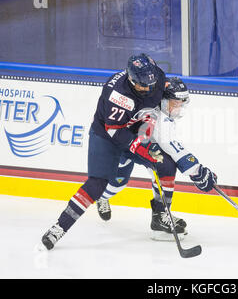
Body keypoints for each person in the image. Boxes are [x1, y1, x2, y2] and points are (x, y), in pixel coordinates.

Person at [41, 53, 168, 250]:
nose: (148, 88)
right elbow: (115, 132)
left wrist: (147, 134)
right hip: (107, 135)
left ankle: (160, 216)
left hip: (134, 130)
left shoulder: (155, 77)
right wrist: (142, 148)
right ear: (131, 78)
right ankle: (59, 227)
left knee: (133, 176)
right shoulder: (119, 95)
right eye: (143, 85)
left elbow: (155, 105)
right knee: (96, 184)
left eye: (151, 84)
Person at [95, 77, 217, 241]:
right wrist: (196, 170)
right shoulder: (157, 115)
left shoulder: (162, 107)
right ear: (165, 100)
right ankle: (102, 197)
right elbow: (168, 143)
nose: (178, 107)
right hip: (125, 146)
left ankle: (160, 216)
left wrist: (195, 169)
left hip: (145, 146)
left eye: (181, 103)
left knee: (163, 168)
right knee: (119, 183)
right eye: (175, 102)